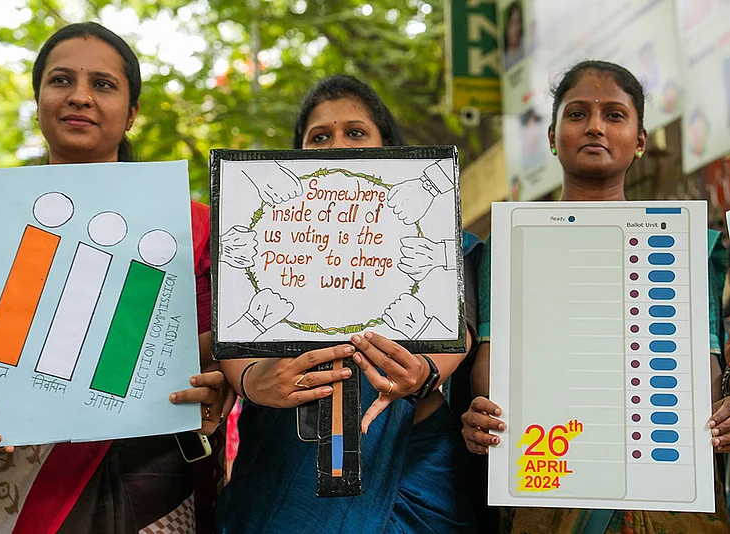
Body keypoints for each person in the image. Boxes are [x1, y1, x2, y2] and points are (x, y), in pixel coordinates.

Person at [0, 22, 233, 534]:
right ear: (39, 98)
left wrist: (219, 386)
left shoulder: (193, 225)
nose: (80, 97)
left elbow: (214, 362)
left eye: (104, 84)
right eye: (61, 80)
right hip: (14, 480)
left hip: (153, 480)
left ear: (132, 112)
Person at [462, 60, 730, 533]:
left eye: (615, 115)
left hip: (672, 495)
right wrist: (481, 416)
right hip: (546, 493)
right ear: (551, 136)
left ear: (641, 140)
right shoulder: (506, 247)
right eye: (577, 114)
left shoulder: (690, 248)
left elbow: (707, 362)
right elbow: (489, 356)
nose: (595, 127)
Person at [216, 74, 478, 533]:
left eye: (356, 132)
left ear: (388, 148)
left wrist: (422, 373)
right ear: (297, 156)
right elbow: (236, 345)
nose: (337, 144)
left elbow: (458, 331)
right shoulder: (259, 243)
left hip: (412, 472)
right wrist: (257, 383)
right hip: (281, 469)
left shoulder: (443, 243)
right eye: (320, 137)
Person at [502, 1, 524, 71]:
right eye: (513, 23)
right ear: (507, 26)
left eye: (518, 22)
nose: (516, 28)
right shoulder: (503, 59)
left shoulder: (525, 46)